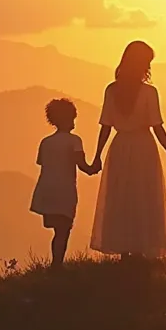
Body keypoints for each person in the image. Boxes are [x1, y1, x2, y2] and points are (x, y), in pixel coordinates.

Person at [90, 41, 166, 259]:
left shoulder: (112, 90)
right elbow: (157, 126)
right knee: (143, 196)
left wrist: (98, 156)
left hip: (119, 147)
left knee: (121, 197)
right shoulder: (149, 92)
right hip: (143, 147)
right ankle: (140, 246)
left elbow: (106, 126)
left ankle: (124, 248)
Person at [30, 98, 95, 269]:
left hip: (46, 189)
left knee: (58, 230)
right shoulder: (75, 141)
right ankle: (57, 265)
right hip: (65, 190)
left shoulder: (46, 142)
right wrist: (95, 166)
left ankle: (56, 264)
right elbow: (83, 166)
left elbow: (43, 163)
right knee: (64, 230)